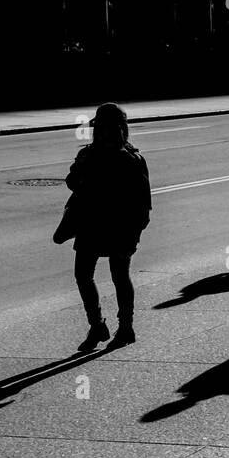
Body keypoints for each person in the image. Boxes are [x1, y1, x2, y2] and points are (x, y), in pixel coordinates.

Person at [64, 103, 150, 352]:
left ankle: (124, 327)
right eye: (99, 128)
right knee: (86, 274)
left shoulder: (130, 159)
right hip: (92, 224)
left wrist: (135, 231)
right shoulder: (90, 155)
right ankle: (99, 325)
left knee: (117, 276)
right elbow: (72, 182)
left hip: (119, 227)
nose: (100, 132)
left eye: (104, 128)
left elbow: (142, 204)